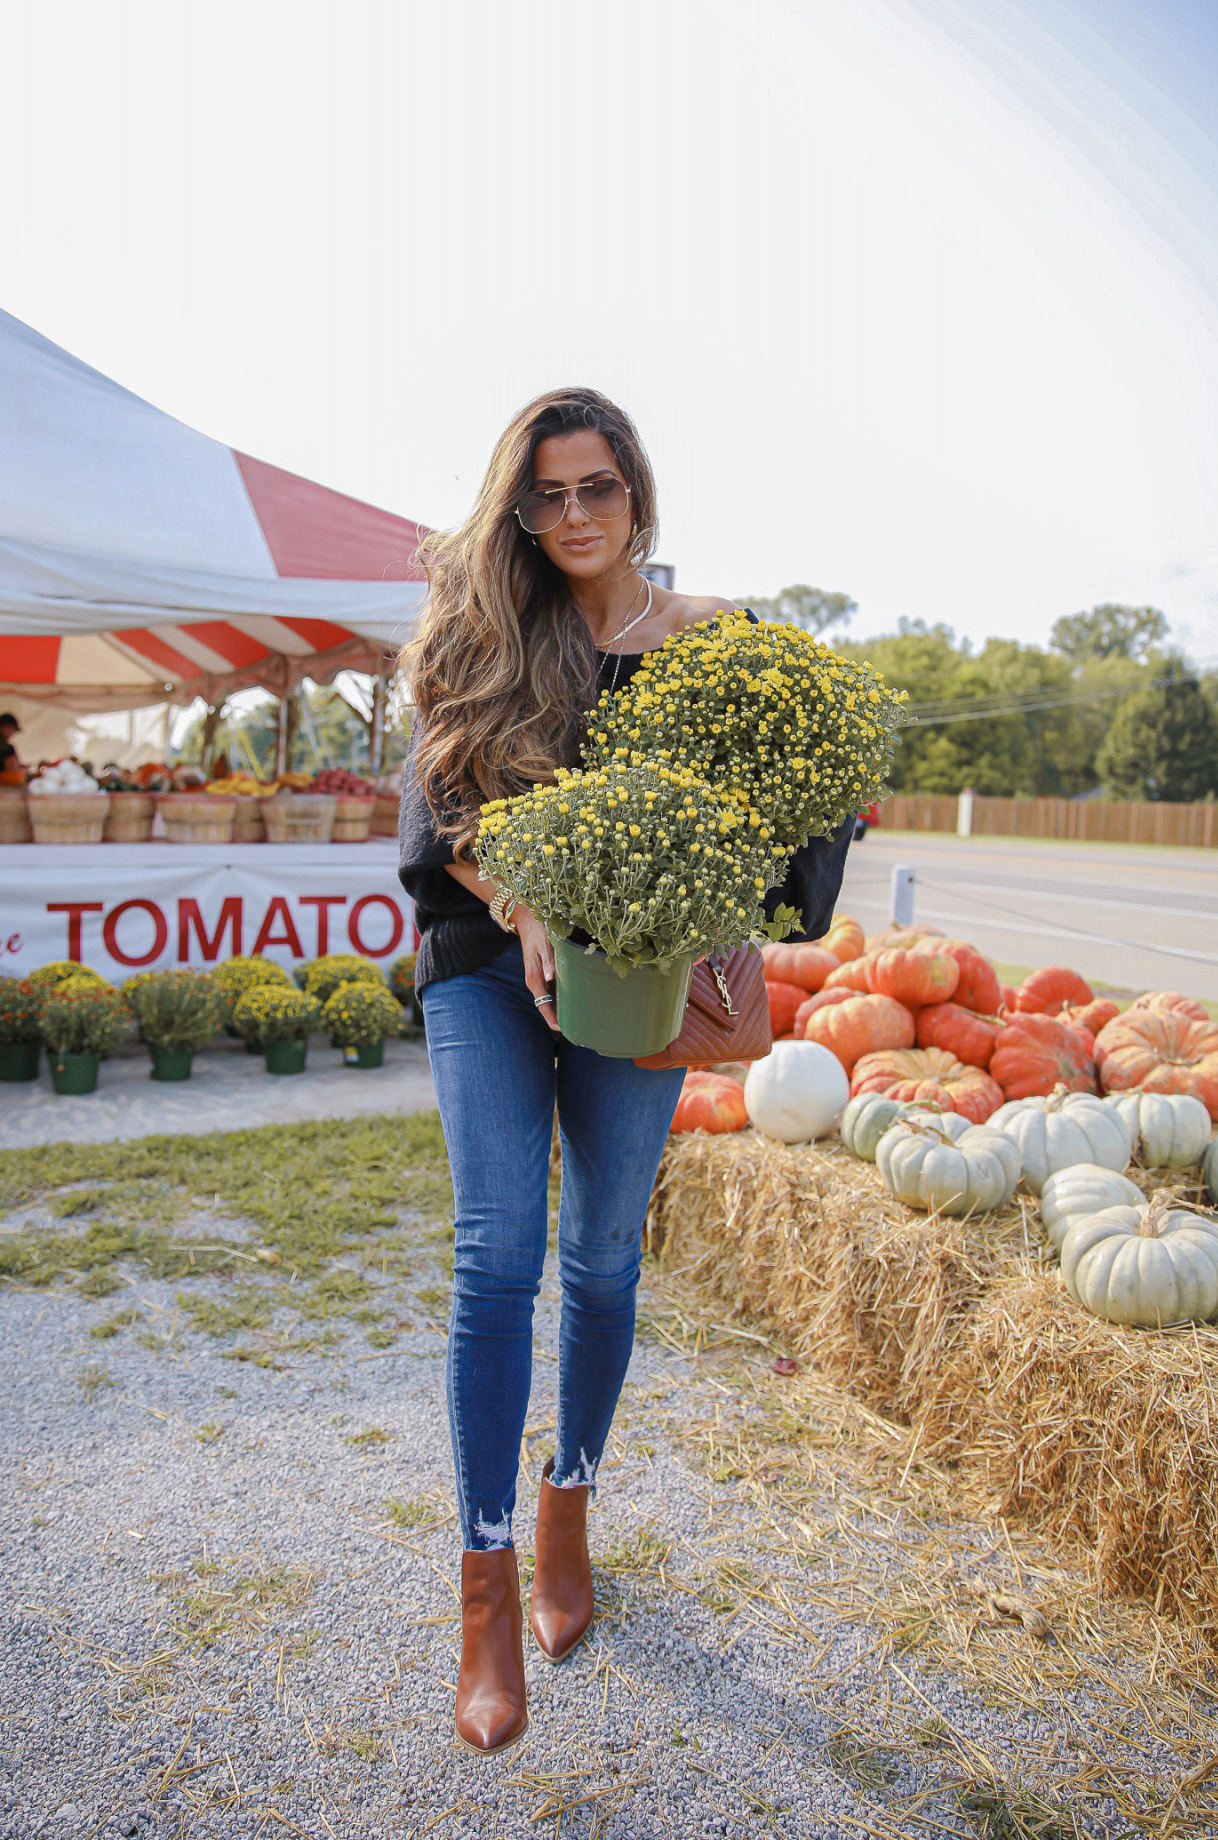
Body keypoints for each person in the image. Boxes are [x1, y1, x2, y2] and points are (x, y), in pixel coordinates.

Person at [399, 388, 852, 1755]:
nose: (574, 515)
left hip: (645, 977)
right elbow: (440, 819)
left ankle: (566, 1514)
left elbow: (798, 813)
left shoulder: (719, 645)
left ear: (635, 495)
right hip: (491, 962)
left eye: (595, 487)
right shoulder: (482, 629)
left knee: (601, 1259)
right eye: (546, 495)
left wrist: (719, 882)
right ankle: (484, 1596)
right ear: (517, 510)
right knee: (498, 1257)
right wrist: (530, 905)